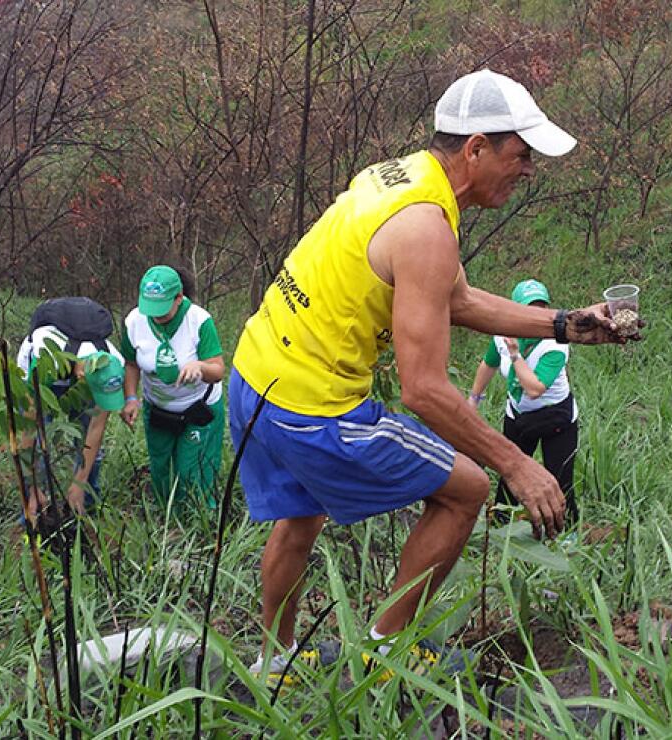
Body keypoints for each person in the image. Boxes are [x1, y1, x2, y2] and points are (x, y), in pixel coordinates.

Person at [229, 69, 635, 682]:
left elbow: (456, 300)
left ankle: (274, 662)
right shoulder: (427, 229)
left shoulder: (398, 178)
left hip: (255, 376)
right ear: (476, 148)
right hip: (314, 408)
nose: (528, 171)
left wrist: (566, 324)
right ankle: (386, 654)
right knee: (467, 488)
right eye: (520, 156)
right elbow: (423, 390)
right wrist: (518, 465)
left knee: (300, 516)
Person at [468, 279, 579, 521]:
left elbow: (535, 388)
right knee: (510, 474)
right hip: (518, 416)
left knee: (560, 478)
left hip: (556, 417)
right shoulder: (501, 337)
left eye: (541, 307)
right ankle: (500, 525)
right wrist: (474, 399)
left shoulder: (556, 343)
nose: (535, 314)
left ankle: (566, 531)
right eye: (529, 308)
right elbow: (489, 363)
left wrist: (516, 355)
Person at [119, 266, 227, 511]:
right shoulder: (135, 321)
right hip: (158, 407)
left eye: (162, 309)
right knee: (161, 467)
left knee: (193, 471)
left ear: (179, 298)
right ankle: (167, 520)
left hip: (198, 407)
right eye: (150, 308)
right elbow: (131, 363)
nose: (155, 316)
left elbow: (218, 370)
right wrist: (131, 398)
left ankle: (199, 525)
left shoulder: (199, 321)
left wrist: (199, 366)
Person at [15, 297, 126, 516]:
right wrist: (32, 485)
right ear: (83, 376)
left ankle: (86, 504)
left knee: (90, 445)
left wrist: (79, 484)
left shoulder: (115, 363)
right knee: (37, 442)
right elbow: (28, 428)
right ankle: (32, 508)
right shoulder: (45, 358)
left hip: (75, 375)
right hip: (44, 374)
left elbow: (95, 429)